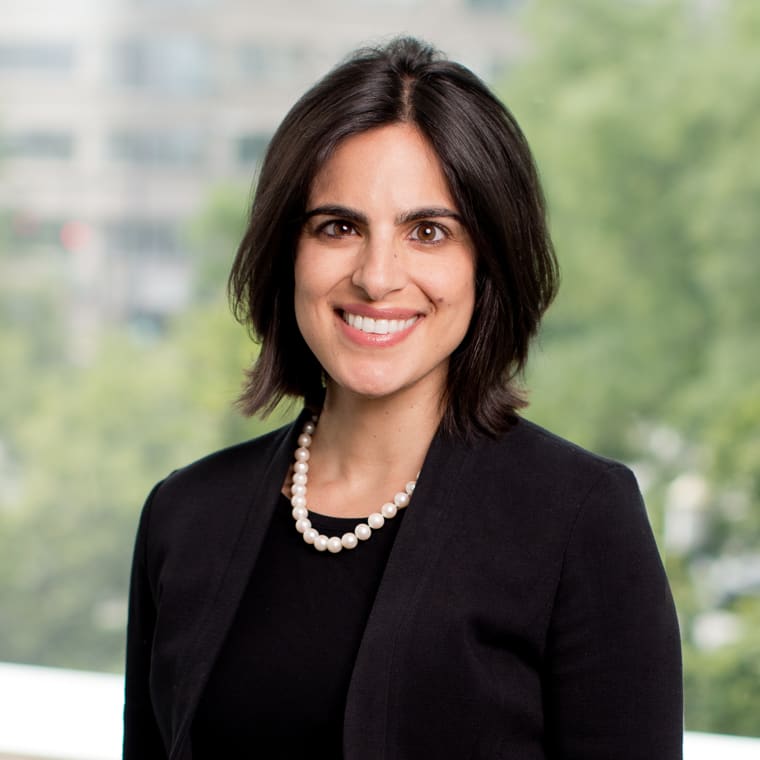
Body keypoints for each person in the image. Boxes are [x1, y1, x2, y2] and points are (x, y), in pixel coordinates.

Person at [124, 37, 683, 760]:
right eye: (339, 227)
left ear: (487, 263)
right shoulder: (184, 516)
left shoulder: (580, 521)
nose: (378, 276)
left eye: (428, 232)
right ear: (287, 251)